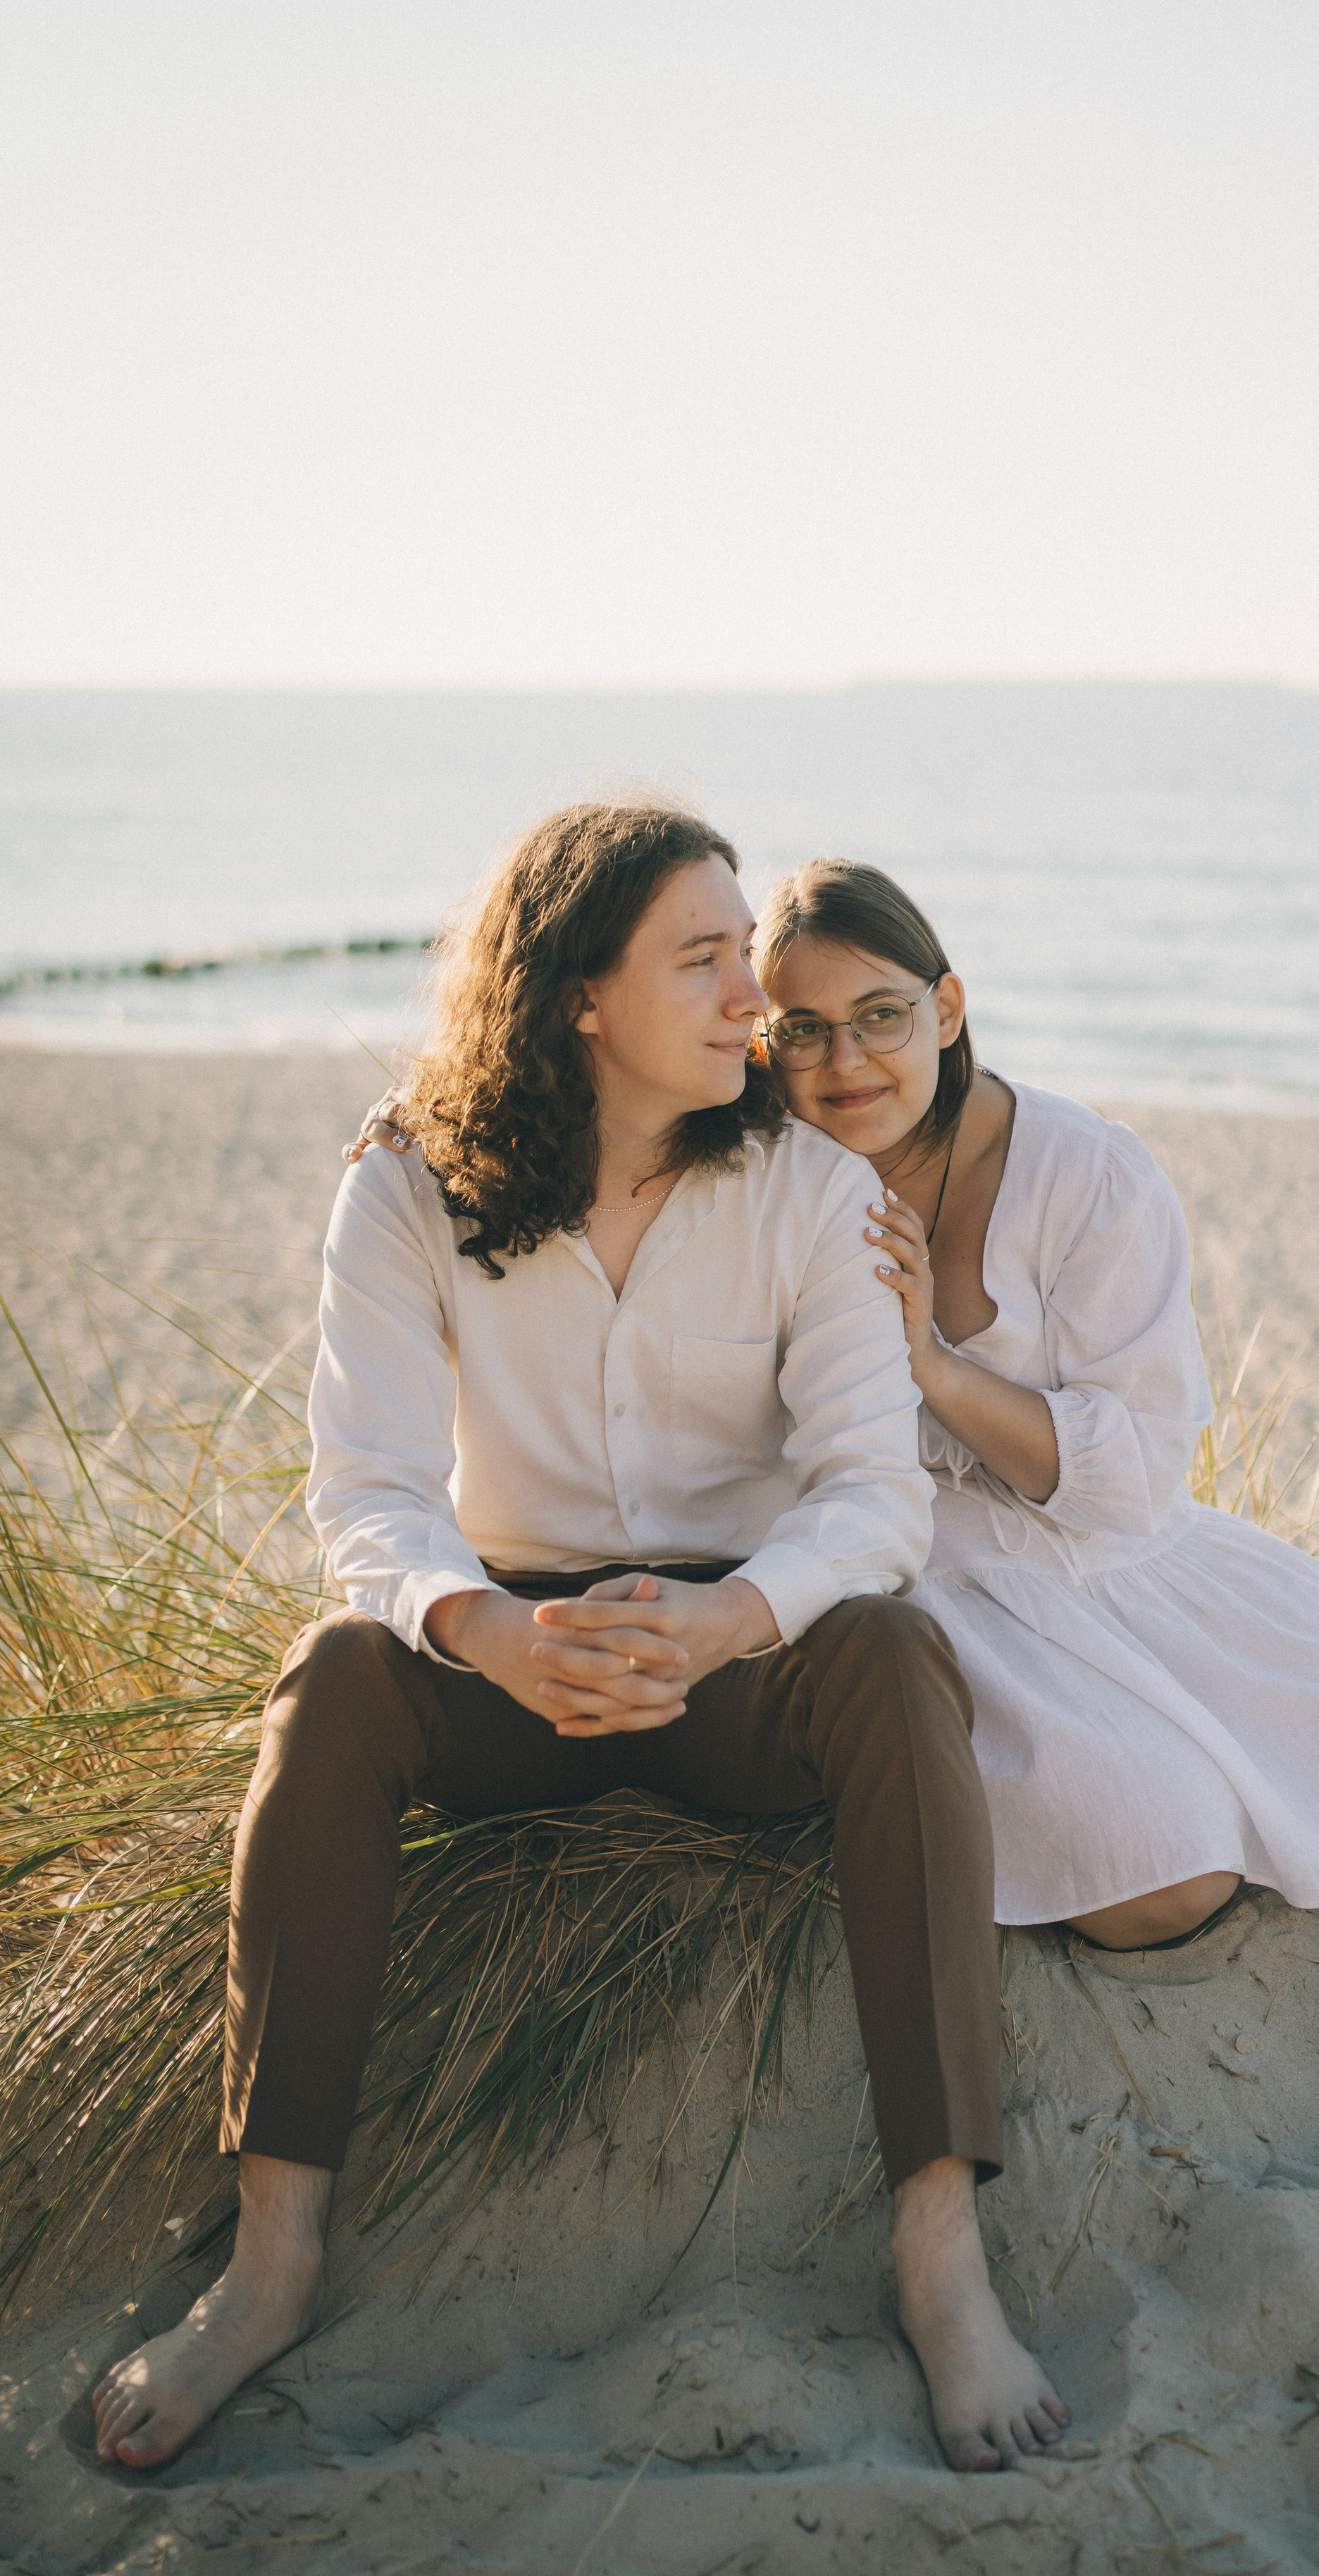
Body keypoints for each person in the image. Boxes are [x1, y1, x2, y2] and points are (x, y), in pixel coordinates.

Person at [90, 804, 1067, 2479]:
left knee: (899, 1660)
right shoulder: (404, 1189)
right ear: (576, 999)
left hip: (736, 1660)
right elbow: (371, 1495)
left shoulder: (811, 1193)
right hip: (509, 1666)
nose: (751, 999)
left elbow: (868, 1496)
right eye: (705, 961)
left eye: (743, 956)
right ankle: (273, 2261)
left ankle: (937, 2256)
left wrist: (725, 1619)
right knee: (329, 1678)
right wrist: (483, 1630)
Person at [747, 858, 1319, 1948]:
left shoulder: (1089, 1174)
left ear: (949, 1007)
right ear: (764, 1041)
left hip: (1101, 1551)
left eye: (882, 1015)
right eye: (804, 1030)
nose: (846, 1061)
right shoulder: (764, 1174)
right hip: (920, 1577)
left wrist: (931, 1362)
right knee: (1164, 1876)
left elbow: (1137, 1483)